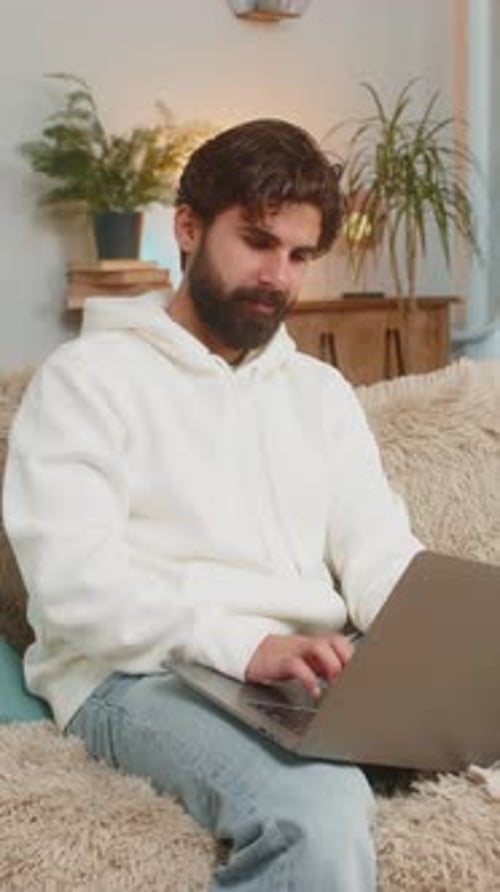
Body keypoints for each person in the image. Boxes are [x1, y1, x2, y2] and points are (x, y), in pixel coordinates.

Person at [3, 119, 422, 890]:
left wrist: (438, 635)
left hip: (310, 676)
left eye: (299, 256)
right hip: (138, 674)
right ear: (188, 228)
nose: (279, 276)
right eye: (257, 242)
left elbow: (377, 549)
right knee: (317, 815)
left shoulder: (320, 394)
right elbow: (72, 588)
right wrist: (244, 644)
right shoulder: (86, 380)